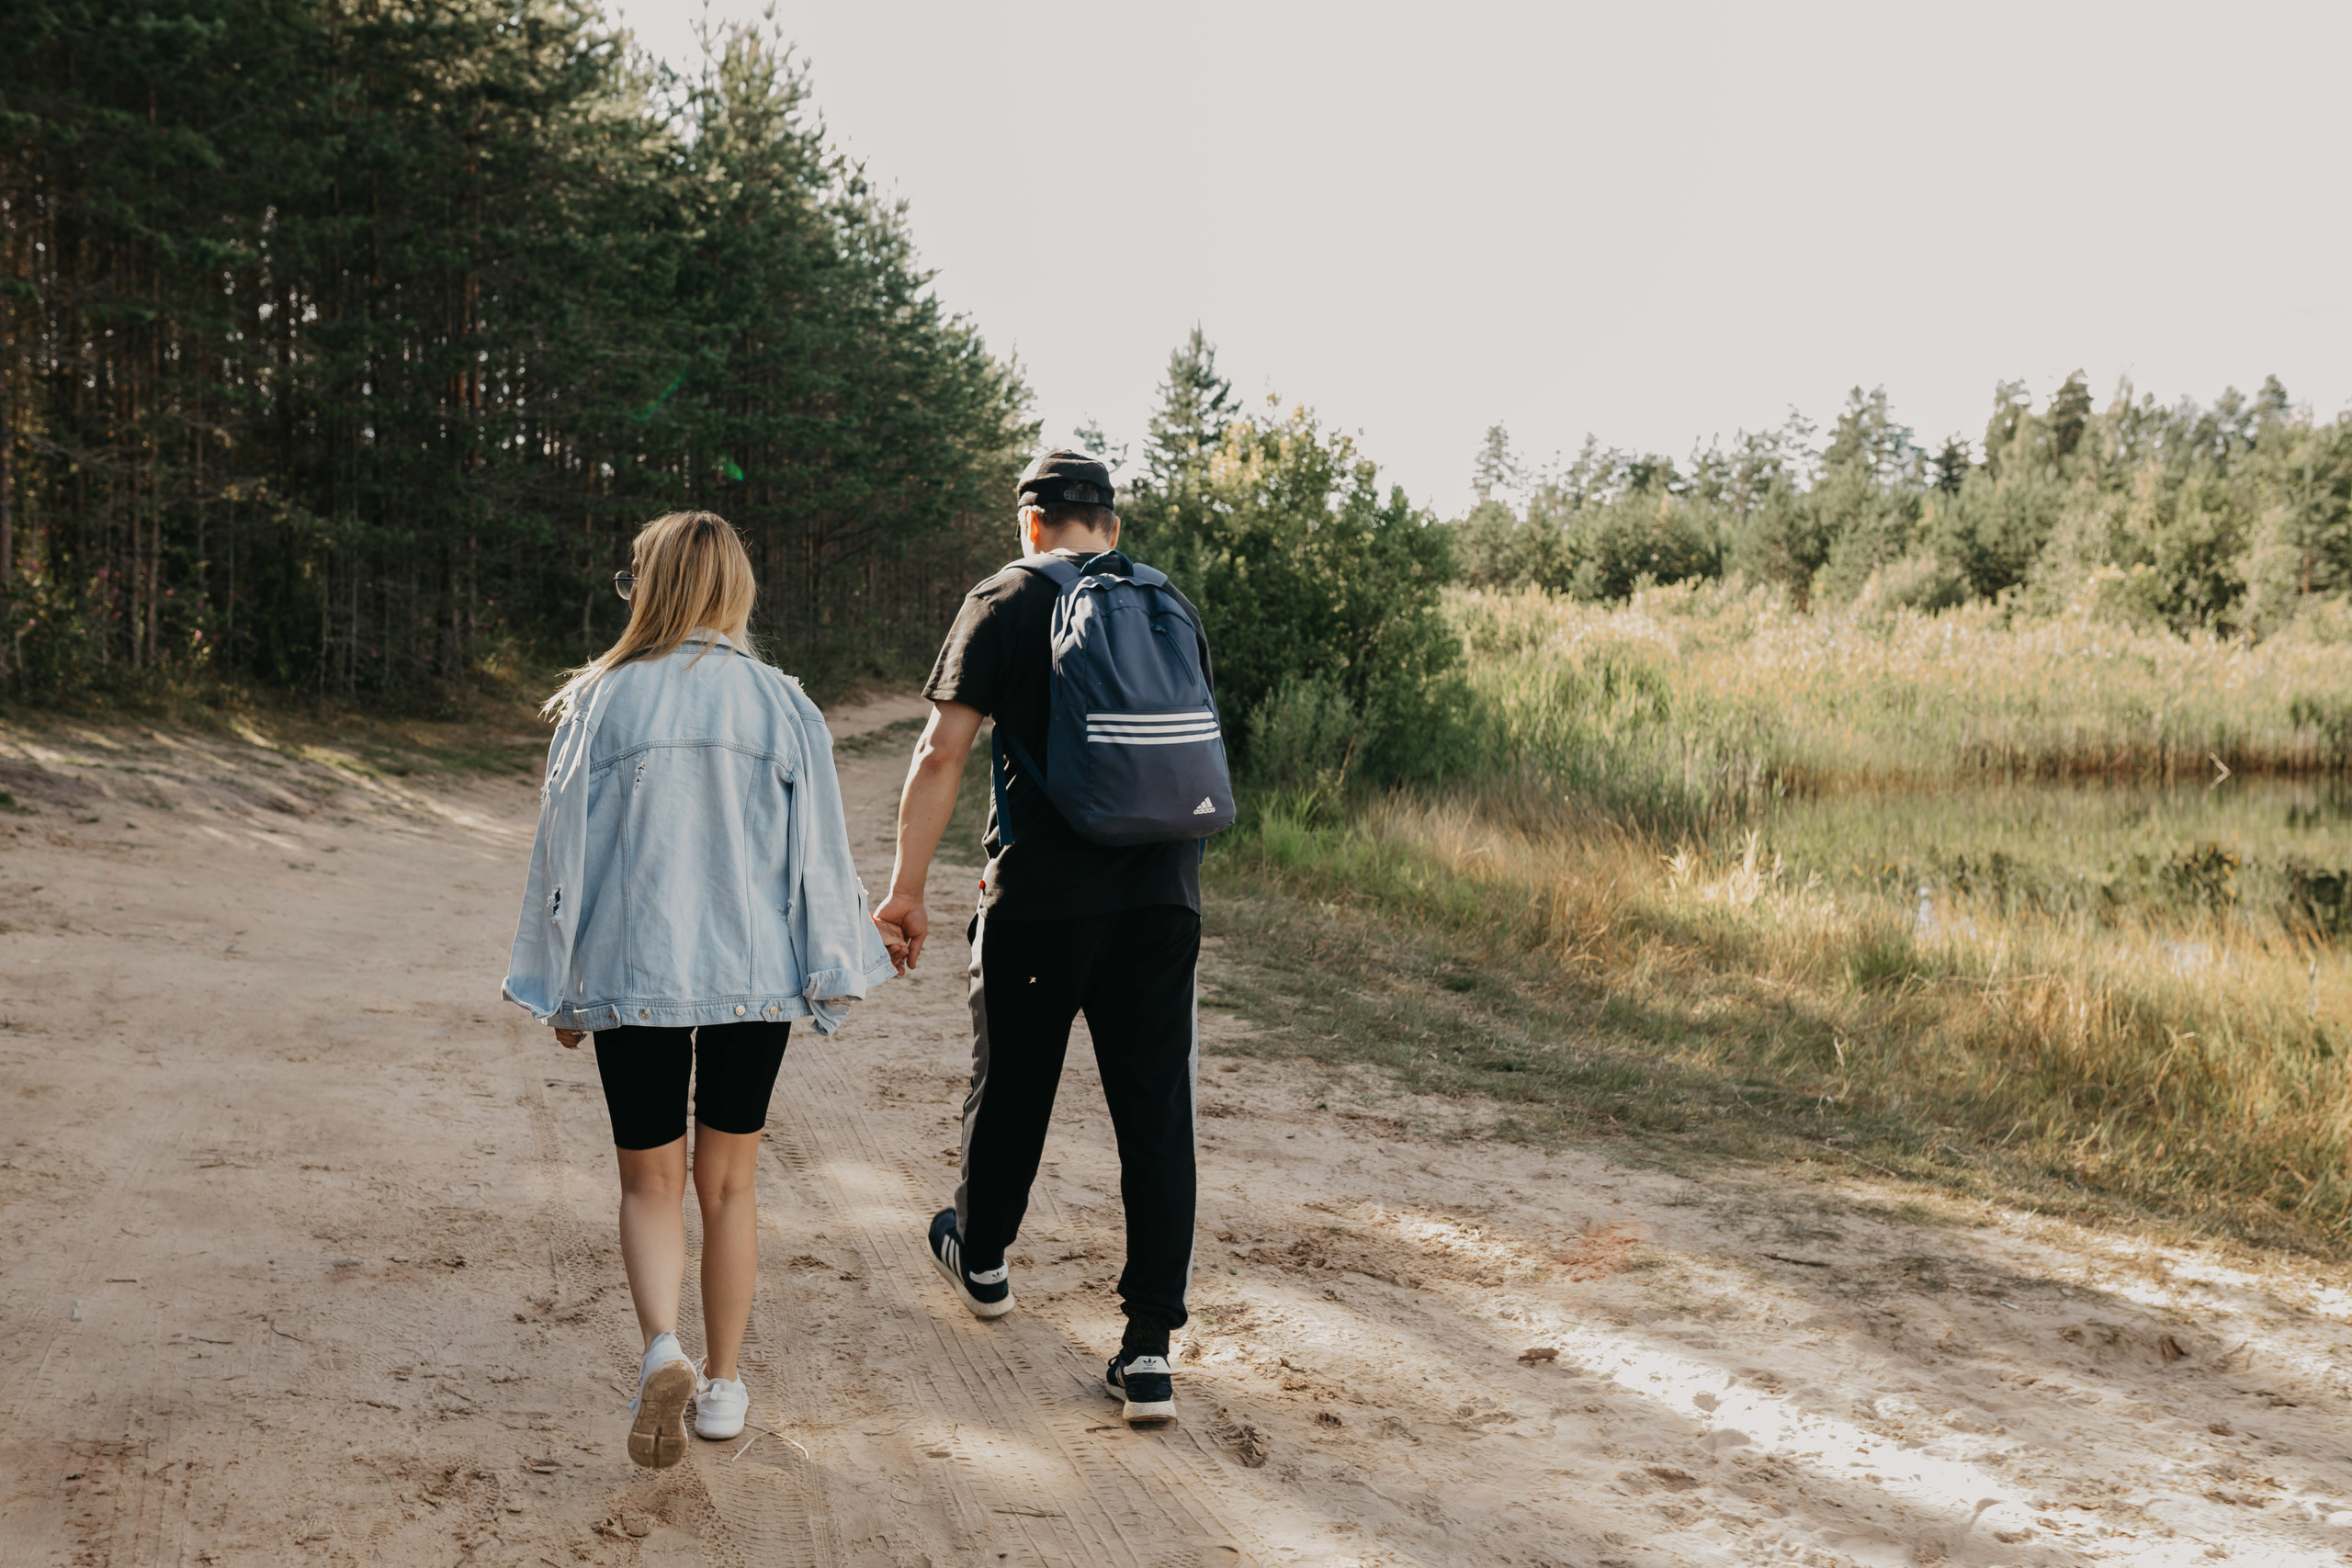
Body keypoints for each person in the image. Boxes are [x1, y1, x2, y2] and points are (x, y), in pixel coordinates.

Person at [502, 511, 897, 1470]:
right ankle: (721, 1386)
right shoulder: (783, 705)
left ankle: (659, 1351)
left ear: (653, 586)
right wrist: (833, 968)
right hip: (753, 982)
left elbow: (565, 852)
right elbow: (817, 856)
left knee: (647, 1180)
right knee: (728, 1185)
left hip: (632, 974)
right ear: (736, 589)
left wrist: (558, 985)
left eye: (632, 573)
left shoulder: (600, 700)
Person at [873, 450, 1219, 1425]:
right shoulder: (1169, 604)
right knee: (1155, 1115)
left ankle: (981, 1258)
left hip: (1040, 900)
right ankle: (1149, 1350)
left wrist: (905, 891)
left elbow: (942, 750)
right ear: (1109, 524)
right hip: (1162, 898)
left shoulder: (1005, 597)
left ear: (1030, 524)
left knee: (1015, 1083)